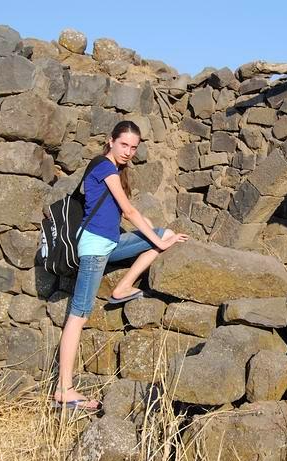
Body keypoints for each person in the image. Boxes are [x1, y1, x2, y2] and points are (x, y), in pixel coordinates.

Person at [53, 120, 188, 410]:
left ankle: (124, 286)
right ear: (110, 141)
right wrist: (158, 241)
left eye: (133, 147)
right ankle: (64, 389)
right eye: (124, 144)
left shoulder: (116, 170)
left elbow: (122, 215)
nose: (128, 151)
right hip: (93, 250)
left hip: (110, 245)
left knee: (162, 233)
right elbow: (128, 209)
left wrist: (156, 235)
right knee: (78, 316)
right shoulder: (103, 166)